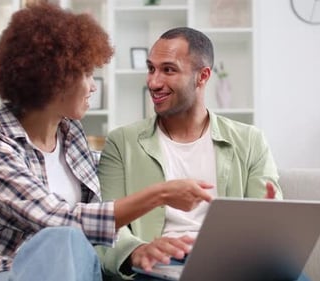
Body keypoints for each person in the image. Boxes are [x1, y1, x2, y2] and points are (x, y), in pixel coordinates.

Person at [0, 6, 213, 281]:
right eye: (87, 74)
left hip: (69, 272)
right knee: (65, 237)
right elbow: (59, 220)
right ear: (53, 78)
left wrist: (139, 248)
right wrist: (161, 194)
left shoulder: (72, 136)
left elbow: (113, 186)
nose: (93, 86)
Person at [95, 27, 308, 281]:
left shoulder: (249, 141)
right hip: (159, 267)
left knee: (291, 276)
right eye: (151, 68)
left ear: (202, 76)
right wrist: (138, 250)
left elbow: (269, 223)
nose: (153, 82)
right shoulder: (122, 143)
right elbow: (105, 223)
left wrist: (270, 220)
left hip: (231, 265)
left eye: (168, 70)